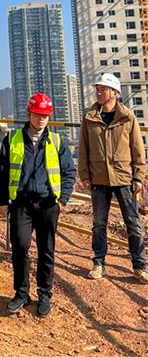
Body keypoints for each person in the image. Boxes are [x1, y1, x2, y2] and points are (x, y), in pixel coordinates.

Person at [0, 93, 76, 318]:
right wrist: (2, 201)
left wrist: (62, 200)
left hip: (48, 203)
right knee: (20, 246)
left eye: (45, 115)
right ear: (29, 113)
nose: (41, 119)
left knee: (46, 249)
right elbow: (2, 172)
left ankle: (44, 294)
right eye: (38, 114)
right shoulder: (12, 139)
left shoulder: (56, 141)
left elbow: (69, 171)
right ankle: (22, 293)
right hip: (21, 202)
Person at [78, 73, 148, 284]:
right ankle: (98, 263)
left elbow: (138, 150)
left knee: (133, 223)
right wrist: (85, 176)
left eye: (103, 89)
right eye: (97, 89)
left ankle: (139, 266)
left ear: (115, 92)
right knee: (99, 224)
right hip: (99, 179)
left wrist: (138, 177)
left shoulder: (128, 118)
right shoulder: (89, 119)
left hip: (124, 178)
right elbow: (83, 150)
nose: (99, 92)